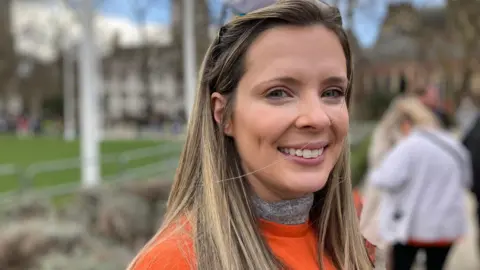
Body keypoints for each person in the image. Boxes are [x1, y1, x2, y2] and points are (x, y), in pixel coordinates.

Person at [128, 1, 372, 269]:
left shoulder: (353, 250)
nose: (316, 117)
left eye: (332, 92)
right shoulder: (178, 261)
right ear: (223, 114)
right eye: (278, 93)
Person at [370, 98, 472, 270]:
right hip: (447, 226)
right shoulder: (453, 145)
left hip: (413, 226)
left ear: (405, 123)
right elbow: (466, 179)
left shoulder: (408, 146)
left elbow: (384, 179)